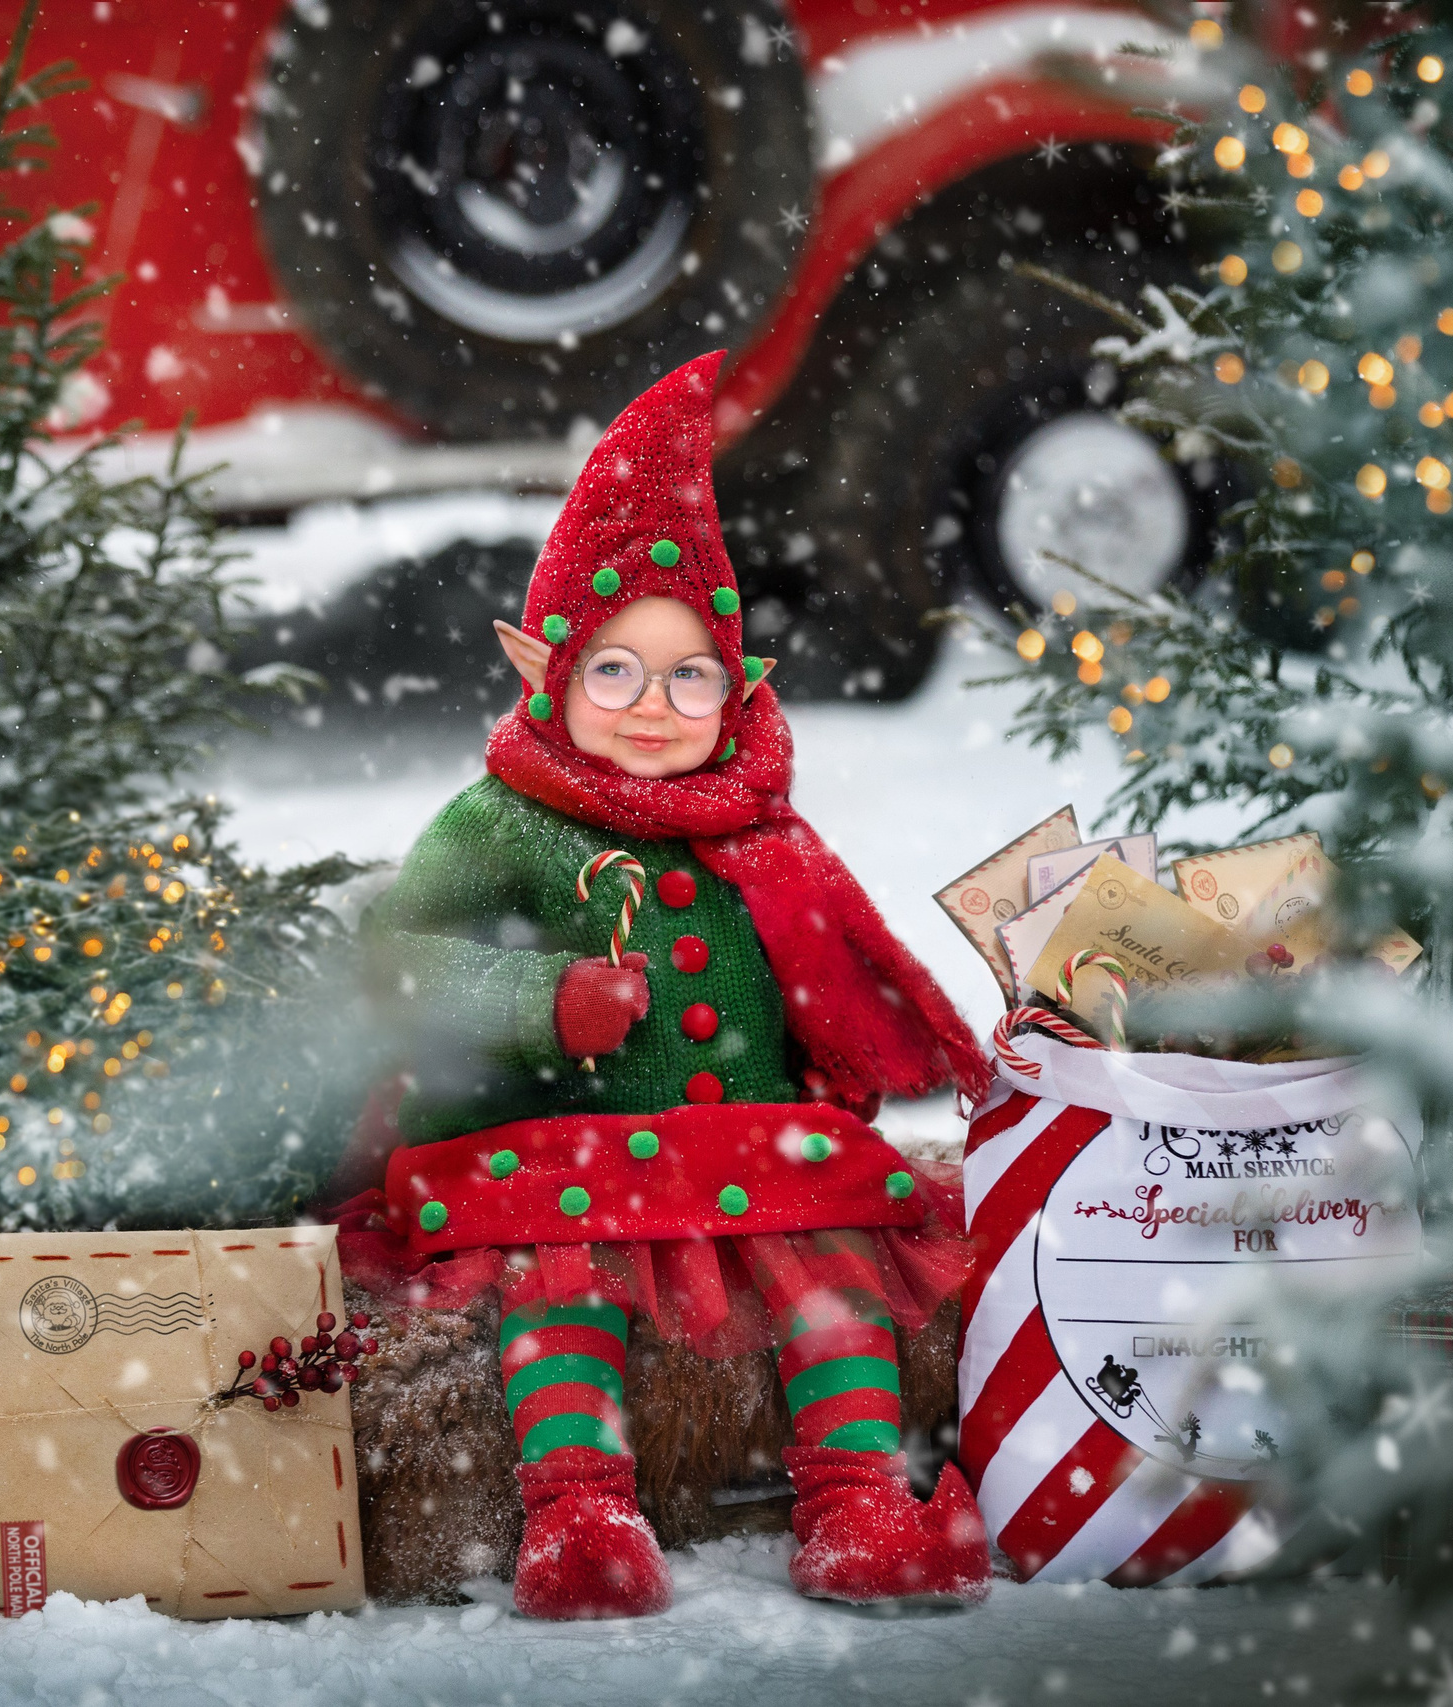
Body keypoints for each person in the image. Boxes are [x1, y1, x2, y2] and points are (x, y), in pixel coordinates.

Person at [337, 353, 993, 1619]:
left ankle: (855, 1503)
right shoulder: (501, 821)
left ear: (739, 688)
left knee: (830, 1276)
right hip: (563, 1146)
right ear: (541, 667)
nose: (653, 707)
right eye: (614, 673)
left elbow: (818, 972)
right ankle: (578, 1513)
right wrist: (542, 1002)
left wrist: (833, 1056)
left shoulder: (756, 824)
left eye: (689, 676)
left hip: (747, 1141)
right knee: (562, 1286)